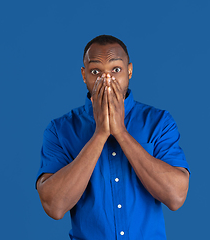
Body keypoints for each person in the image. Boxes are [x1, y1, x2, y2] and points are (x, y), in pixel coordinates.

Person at [35, 35, 190, 240]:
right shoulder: (59, 130)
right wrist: (100, 134)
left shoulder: (159, 122)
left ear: (130, 71)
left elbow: (176, 197)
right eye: (95, 71)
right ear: (84, 75)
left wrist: (121, 133)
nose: (106, 79)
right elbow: (54, 206)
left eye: (116, 70)